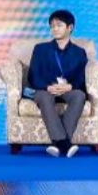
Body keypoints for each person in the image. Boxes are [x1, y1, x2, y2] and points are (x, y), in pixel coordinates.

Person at [27, 10, 89, 158]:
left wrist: (70, 86)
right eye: (52, 26)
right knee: (45, 97)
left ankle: (56, 144)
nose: (55, 29)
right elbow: (33, 75)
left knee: (79, 95)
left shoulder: (79, 52)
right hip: (43, 89)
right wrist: (47, 87)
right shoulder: (40, 49)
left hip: (66, 89)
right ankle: (64, 144)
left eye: (59, 25)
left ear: (70, 27)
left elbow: (81, 78)